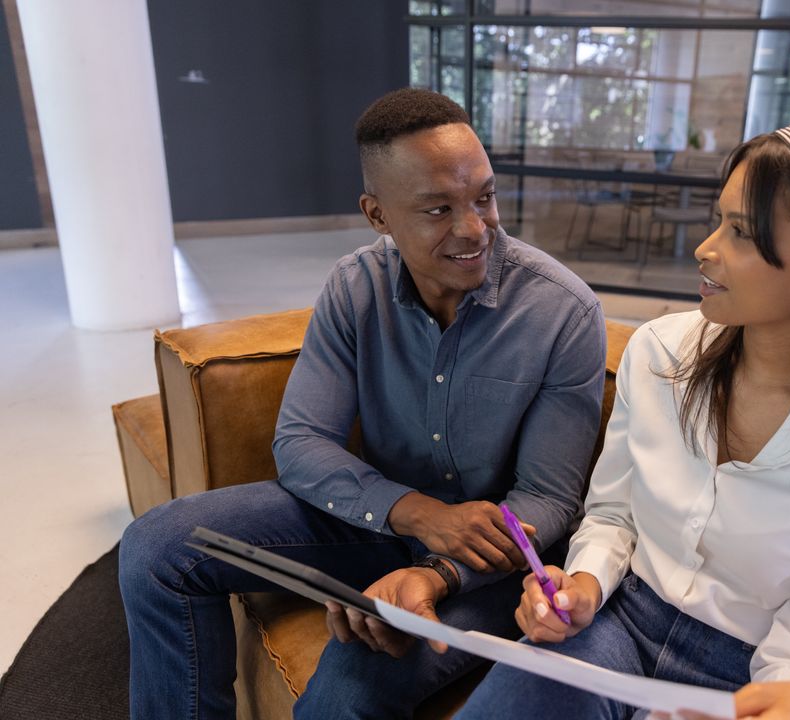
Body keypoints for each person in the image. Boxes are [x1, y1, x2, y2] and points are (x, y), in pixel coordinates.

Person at [118, 87, 607, 720]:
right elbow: (300, 442)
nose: (474, 228)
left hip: (488, 563)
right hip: (375, 522)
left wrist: (438, 570)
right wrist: (415, 512)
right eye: (437, 209)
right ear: (377, 215)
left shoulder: (563, 313)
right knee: (158, 548)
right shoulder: (355, 286)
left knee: (351, 681)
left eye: (483, 197)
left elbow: (550, 498)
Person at [456, 119, 790, 720]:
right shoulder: (661, 353)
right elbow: (613, 513)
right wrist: (583, 584)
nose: (705, 248)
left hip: (743, 678)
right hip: (618, 623)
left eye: (740, 232)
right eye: (720, 219)